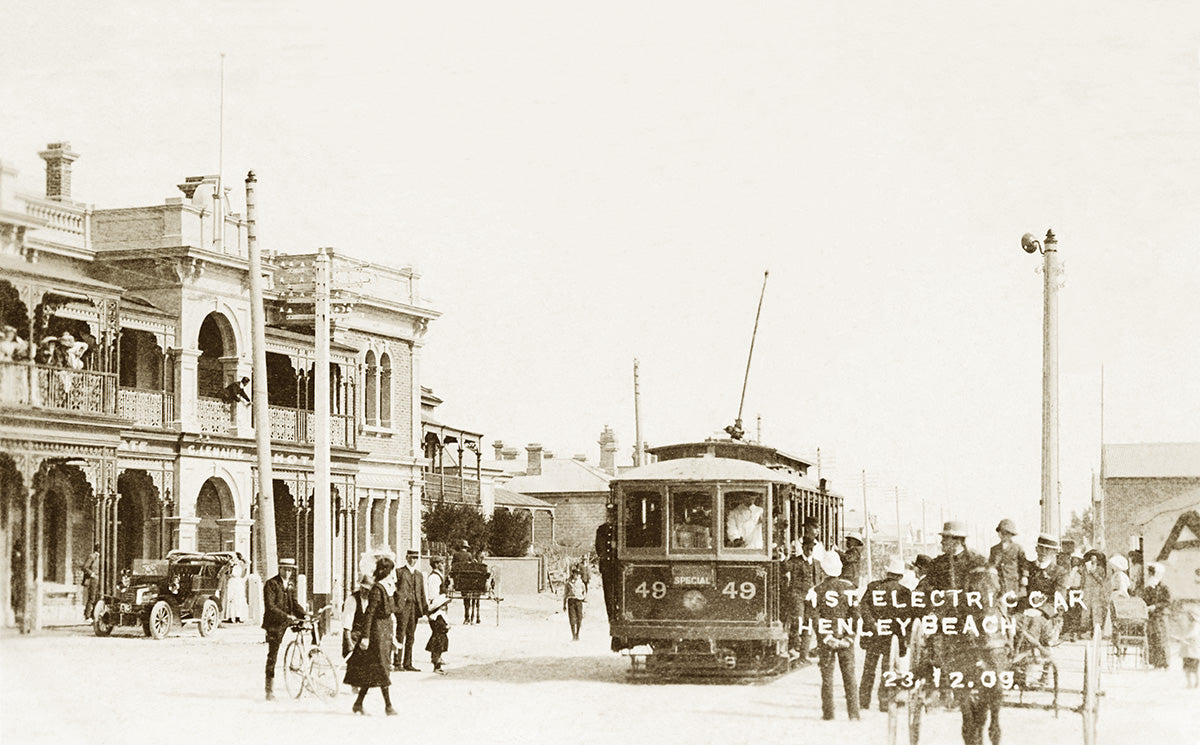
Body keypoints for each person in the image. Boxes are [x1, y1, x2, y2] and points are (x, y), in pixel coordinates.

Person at [812, 551, 859, 721]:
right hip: (845, 639)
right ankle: (853, 714)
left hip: (827, 642)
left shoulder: (817, 590)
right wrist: (848, 638)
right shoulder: (849, 589)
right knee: (850, 678)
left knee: (827, 678)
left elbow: (815, 619)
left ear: (823, 571)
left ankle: (828, 714)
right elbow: (855, 616)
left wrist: (827, 638)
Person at [346, 556, 397, 715]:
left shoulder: (387, 588)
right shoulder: (377, 589)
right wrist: (366, 637)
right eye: (391, 571)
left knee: (374, 670)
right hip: (376, 633)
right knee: (381, 668)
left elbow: (393, 611)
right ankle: (388, 706)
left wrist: (393, 637)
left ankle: (358, 703)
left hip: (385, 631)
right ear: (386, 571)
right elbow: (369, 614)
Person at [859, 557, 910, 712]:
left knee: (869, 669)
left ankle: (863, 701)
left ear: (887, 572)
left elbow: (863, 607)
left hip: (874, 634)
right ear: (900, 576)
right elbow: (906, 617)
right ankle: (884, 702)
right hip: (891, 637)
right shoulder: (904, 592)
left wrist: (871, 623)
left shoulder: (874, 587)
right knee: (887, 671)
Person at [1017, 534, 1067, 687]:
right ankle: (1016, 669)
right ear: (1036, 549)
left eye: (1048, 550)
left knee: (1034, 622)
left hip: (1049, 618)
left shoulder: (1059, 572)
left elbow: (1059, 601)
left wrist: (1041, 611)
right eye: (1041, 548)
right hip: (1027, 612)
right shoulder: (1028, 569)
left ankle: (1035, 673)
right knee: (1013, 622)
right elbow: (1023, 591)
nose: (1043, 552)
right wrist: (1024, 609)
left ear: (1054, 553)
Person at [262, 558, 306, 701]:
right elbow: (270, 607)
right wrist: (287, 616)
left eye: (290, 570)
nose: (288, 573)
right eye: (285, 569)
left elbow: (294, 603)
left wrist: (305, 615)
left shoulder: (291, 585)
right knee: (273, 655)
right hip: (275, 623)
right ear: (280, 569)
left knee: (311, 631)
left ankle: (309, 670)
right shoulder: (271, 584)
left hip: (288, 620)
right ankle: (269, 690)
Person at [786, 535, 822, 660]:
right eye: (808, 548)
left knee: (810, 622)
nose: (810, 551)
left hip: (812, 596)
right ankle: (793, 646)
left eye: (812, 548)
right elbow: (785, 567)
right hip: (798, 595)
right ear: (803, 547)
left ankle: (804, 654)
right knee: (798, 620)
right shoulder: (795, 561)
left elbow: (819, 580)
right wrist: (783, 558)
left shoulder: (817, 563)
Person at [393, 549, 428, 671]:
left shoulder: (419, 574)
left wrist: (424, 608)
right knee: (400, 634)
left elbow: (422, 592)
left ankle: (407, 663)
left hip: (415, 607)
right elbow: (394, 591)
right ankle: (397, 663)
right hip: (403, 608)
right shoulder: (399, 572)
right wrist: (396, 605)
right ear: (407, 557)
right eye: (412, 557)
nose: (414, 560)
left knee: (411, 636)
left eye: (416, 558)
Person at [1142, 562, 1172, 669]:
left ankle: (1165, 663)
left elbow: (1167, 602)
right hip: (1151, 617)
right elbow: (1144, 600)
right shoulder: (1148, 587)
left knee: (1162, 639)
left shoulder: (1164, 588)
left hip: (1161, 616)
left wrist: (1156, 606)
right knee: (1152, 638)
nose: (1148, 575)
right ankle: (1155, 663)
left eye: (1150, 573)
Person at [987, 518, 1024, 602]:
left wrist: (1025, 576)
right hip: (999, 584)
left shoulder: (1017, 548)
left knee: (1013, 604)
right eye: (1001, 532)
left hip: (1013, 583)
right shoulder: (994, 549)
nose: (1003, 535)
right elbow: (991, 565)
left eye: (1006, 533)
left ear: (1011, 534)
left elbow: (1024, 564)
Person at [342, 571, 373, 660]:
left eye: (367, 590)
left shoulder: (371, 600)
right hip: (353, 637)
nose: (364, 592)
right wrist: (349, 643)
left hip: (364, 638)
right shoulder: (352, 600)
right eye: (362, 588)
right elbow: (347, 624)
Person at [1079, 549, 1109, 635]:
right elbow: (1083, 579)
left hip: (1096, 591)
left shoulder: (1100, 569)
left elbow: (1101, 580)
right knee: (1086, 608)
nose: (1092, 559)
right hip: (1087, 590)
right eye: (1091, 558)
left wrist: (1094, 573)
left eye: (1094, 558)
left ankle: (1097, 627)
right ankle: (1085, 628)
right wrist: (1081, 588)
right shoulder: (1085, 568)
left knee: (1097, 608)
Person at [1172, 606, 1200, 688]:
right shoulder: (1189, 625)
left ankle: (1197, 682)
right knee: (1186, 669)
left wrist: (1183, 638)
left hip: (1193, 650)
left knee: (1194, 669)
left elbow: (1193, 634)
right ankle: (1189, 683)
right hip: (1187, 650)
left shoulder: (1196, 625)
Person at [426, 594, 451, 673]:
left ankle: (437, 665)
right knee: (437, 652)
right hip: (439, 637)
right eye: (443, 605)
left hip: (439, 636)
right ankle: (437, 667)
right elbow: (439, 626)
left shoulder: (437, 615)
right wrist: (446, 628)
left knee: (437, 652)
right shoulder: (438, 615)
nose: (445, 607)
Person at [223, 553, 249, 623]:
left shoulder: (241, 564)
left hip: (238, 582)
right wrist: (230, 566)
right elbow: (226, 572)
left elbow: (248, 563)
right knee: (231, 599)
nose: (234, 559)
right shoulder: (230, 565)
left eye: (235, 557)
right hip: (232, 582)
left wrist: (242, 558)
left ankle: (238, 616)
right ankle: (231, 617)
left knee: (239, 599)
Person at [564, 566, 587, 641]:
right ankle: (573, 635)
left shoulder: (581, 583)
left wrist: (584, 599)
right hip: (571, 601)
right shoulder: (568, 583)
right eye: (575, 573)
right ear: (573, 574)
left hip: (579, 601)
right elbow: (565, 594)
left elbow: (584, 592)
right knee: (572, 619)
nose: (577, 575)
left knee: (579, 618)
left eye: (578, 574)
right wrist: (564, 604)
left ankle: (578, 634)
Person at [81, 544, 101, 620]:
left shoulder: (100, 558)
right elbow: (85, 567)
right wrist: (92, 574)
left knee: (97, 597)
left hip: (98, 579)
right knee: (92, 598)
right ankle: (87, 615)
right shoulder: (92, 556)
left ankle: (94, 615)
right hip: (93, 580)